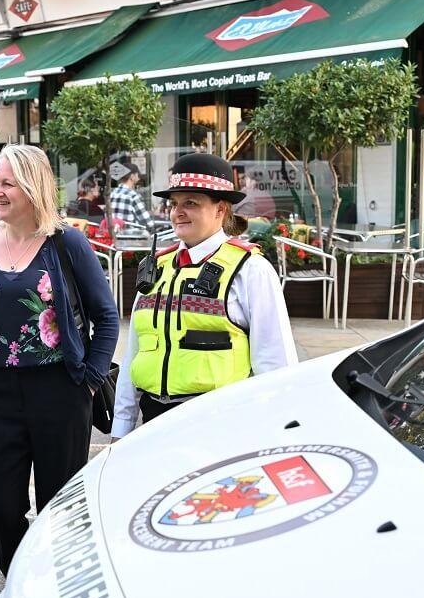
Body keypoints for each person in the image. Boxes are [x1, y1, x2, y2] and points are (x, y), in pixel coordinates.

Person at [0, 144, 118, 575]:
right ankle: (19, 580)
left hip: (60, 389)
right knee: (2, 506)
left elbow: (106, 316)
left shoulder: (67, 244)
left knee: (57, 503)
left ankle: (53, 590)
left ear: (32, 187)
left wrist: (91, 379)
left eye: (8, 183)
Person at [112, 153, 297, 439]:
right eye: (173, 204)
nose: (177, 212)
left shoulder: (251, 270)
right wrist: (121, 430)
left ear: (221, 210)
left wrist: (276, 436)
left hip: (219, 425)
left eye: (191, 203)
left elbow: (275, 366)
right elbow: (134, 355)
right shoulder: (156, 268)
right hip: (152, 425)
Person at [109, 163, 153, 231]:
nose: (139, 177)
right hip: (130, 236)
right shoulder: (132, 195)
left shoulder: (112, 194)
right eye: (137, 174)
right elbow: (148, 222)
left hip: (114, 235)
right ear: (132, 176)